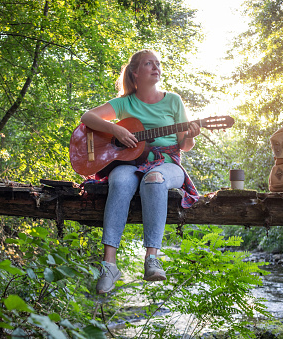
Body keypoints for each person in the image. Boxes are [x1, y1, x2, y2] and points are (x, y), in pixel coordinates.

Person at [80, 49, 200, 294]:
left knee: (154, 179)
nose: (156, 67)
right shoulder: (125, 102)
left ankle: (152, 258)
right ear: (135, 72)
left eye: (158, 63)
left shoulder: (173, 100)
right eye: (149, 64)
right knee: (120, 182)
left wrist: (189, 135)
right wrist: (115, 131)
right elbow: (87, 117)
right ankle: (109, 265)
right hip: (130, 164)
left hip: (167, 164)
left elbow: (184, 146)